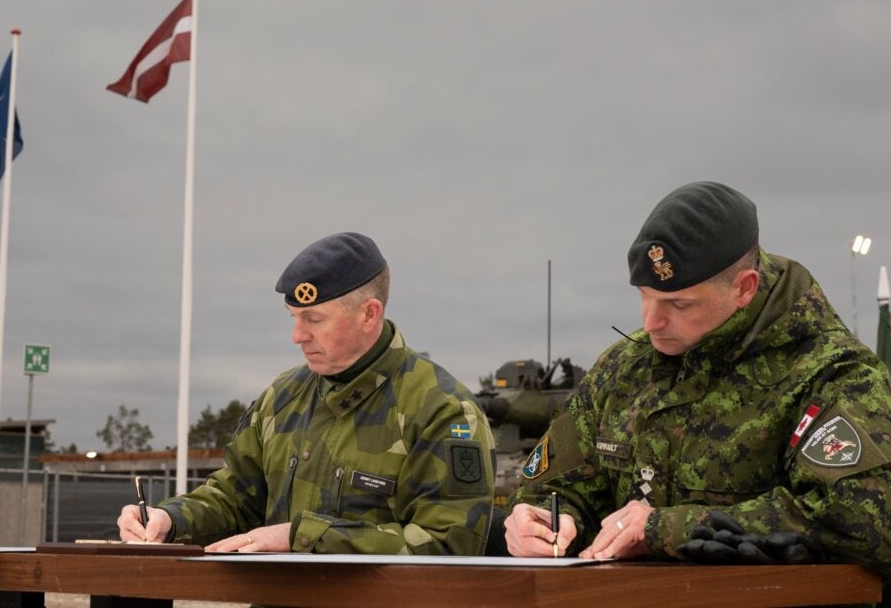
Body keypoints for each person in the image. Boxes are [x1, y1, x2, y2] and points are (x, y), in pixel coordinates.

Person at [504, 182, 891, 583]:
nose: (651, 321)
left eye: (678, 304)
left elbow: (864, 521)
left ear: (744, 288)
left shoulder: (832, 375)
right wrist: (541, 521)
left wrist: (664, 530)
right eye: (645, 296)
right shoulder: (623, 369)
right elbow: (552, 487)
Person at [118, 231, 495, 554]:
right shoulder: (282, 398)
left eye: (314, 319)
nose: (297, 336)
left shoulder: (441, 410)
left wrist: (301, 538)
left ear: (369, 314)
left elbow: (449, 544)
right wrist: (170, 519)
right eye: (294, 318)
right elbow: (236, 497)